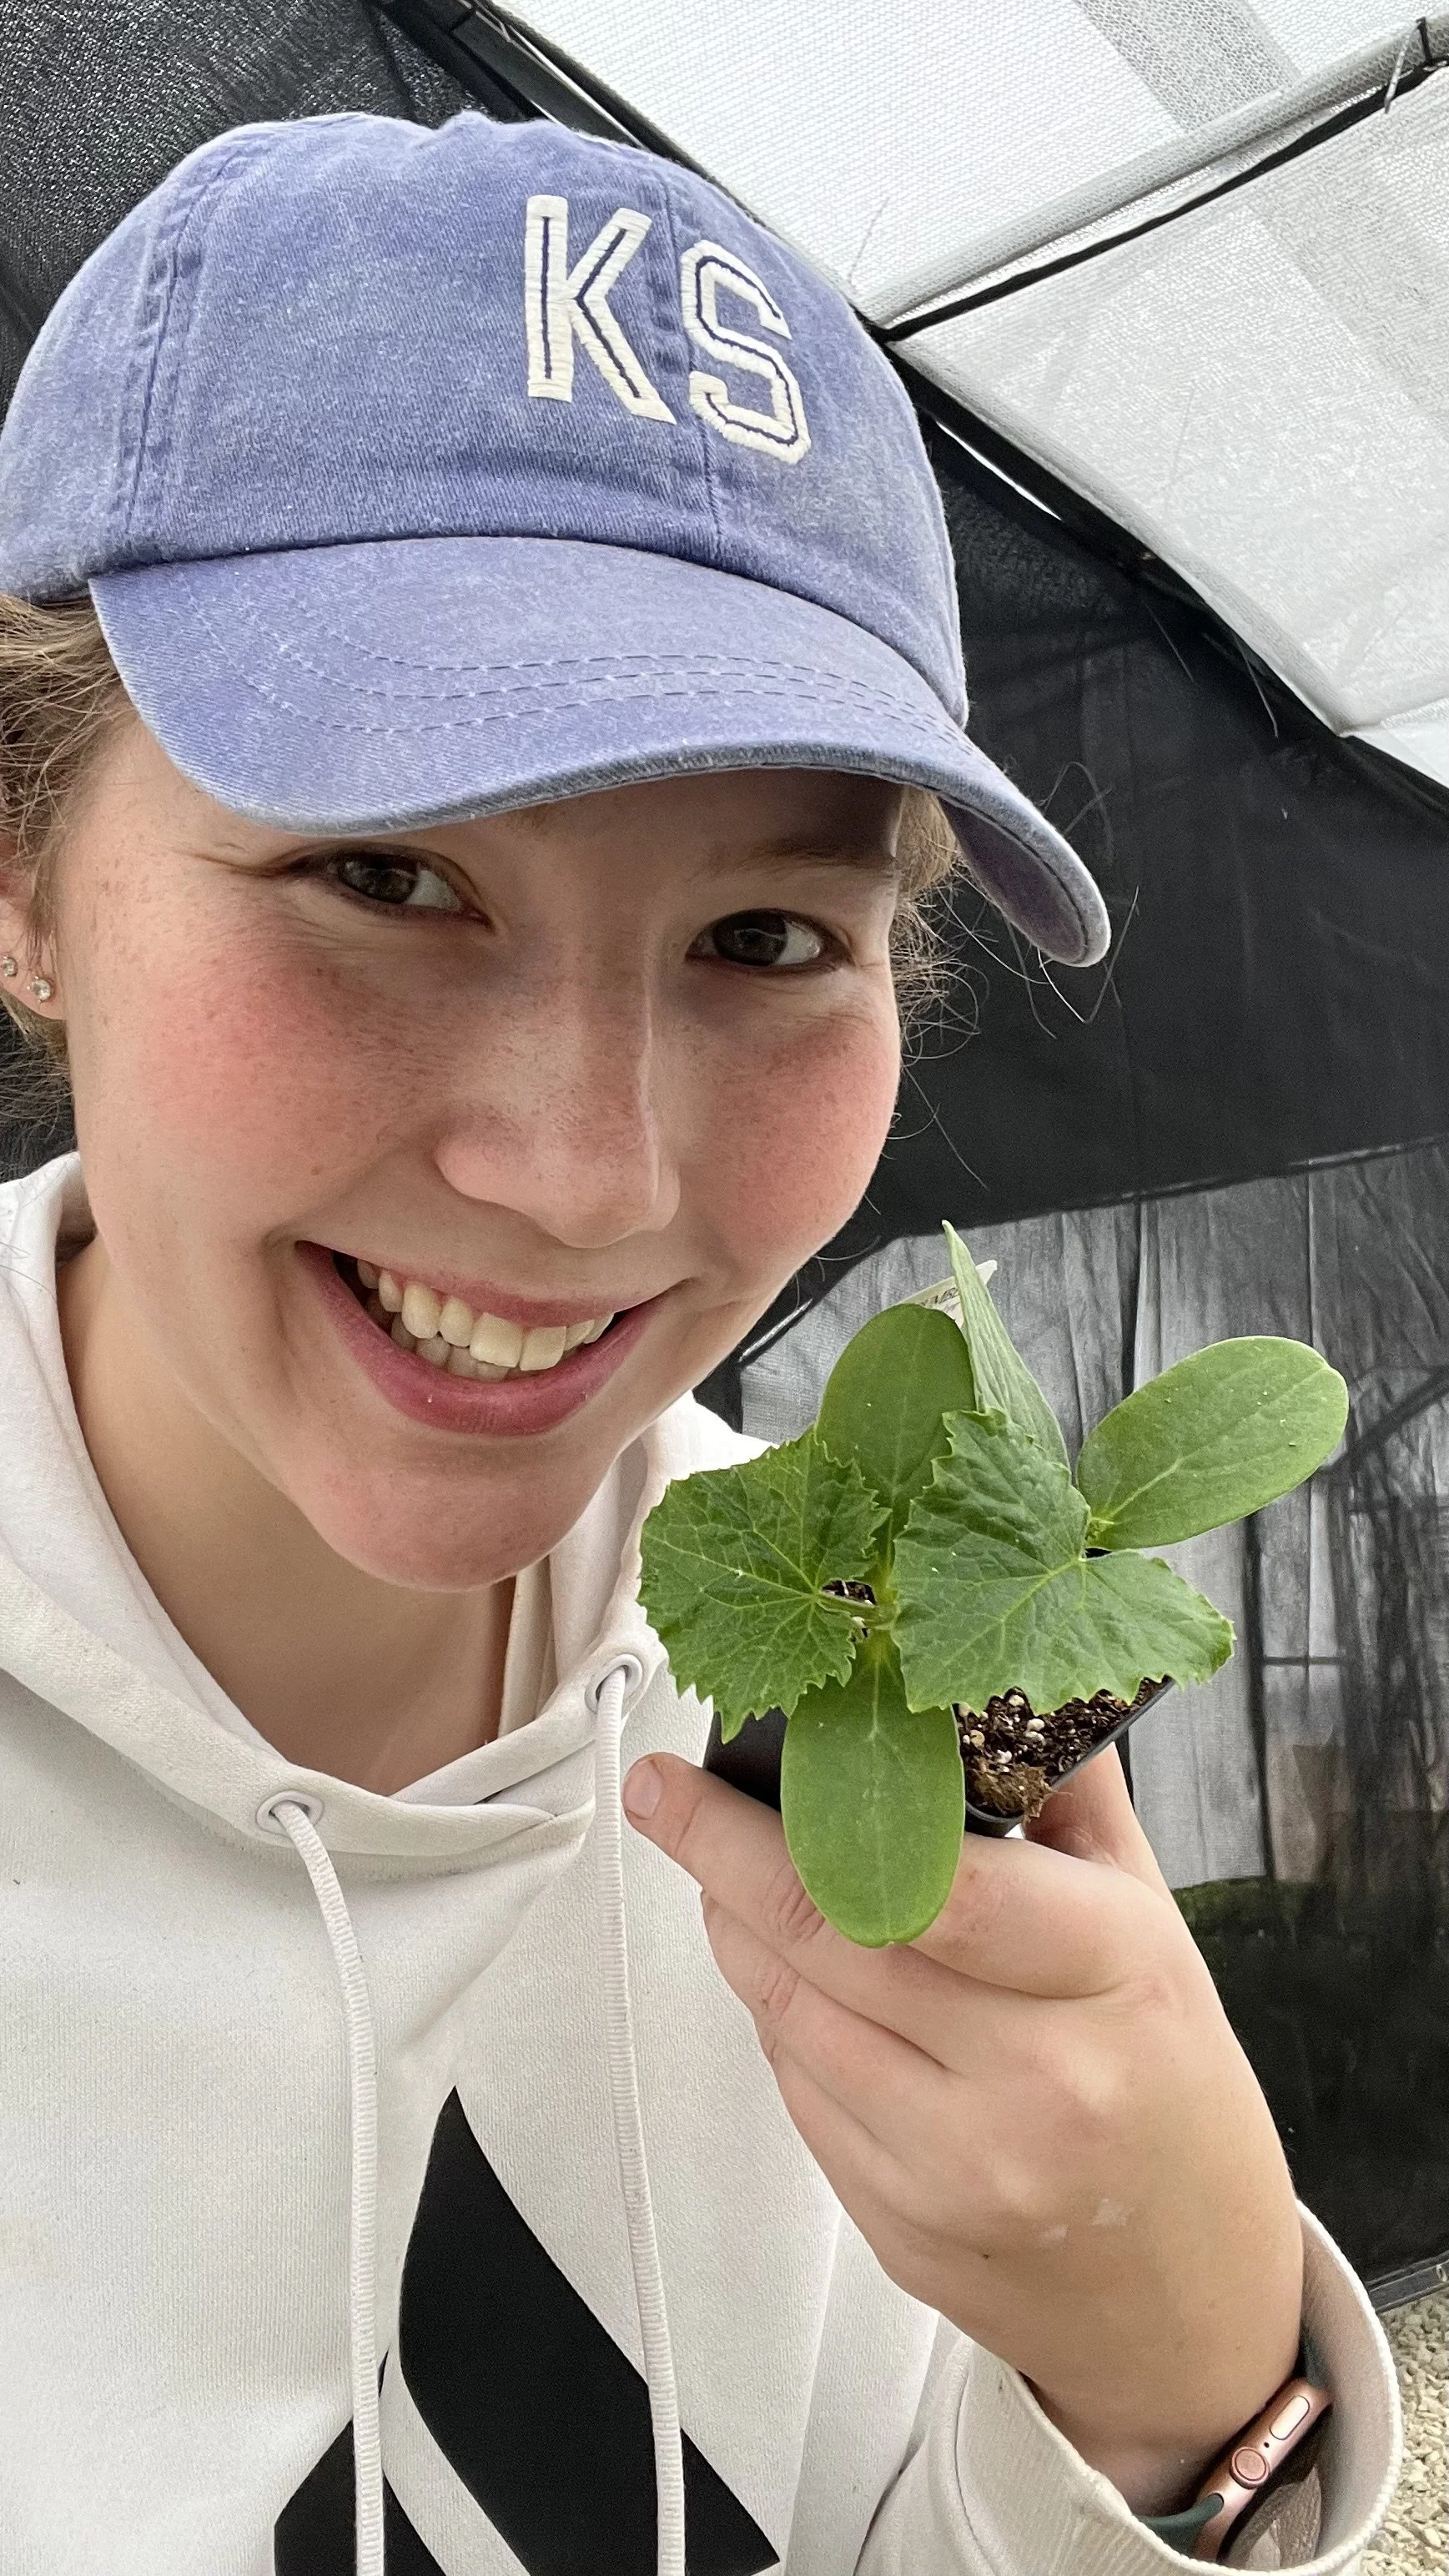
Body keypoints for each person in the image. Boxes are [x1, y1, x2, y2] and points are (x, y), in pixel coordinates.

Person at [0, 108, 1397, 2576]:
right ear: (28, 890)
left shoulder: (845, 1738)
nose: (586, 1178)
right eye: (383, 869)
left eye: (768, 938)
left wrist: (1185, 2407)